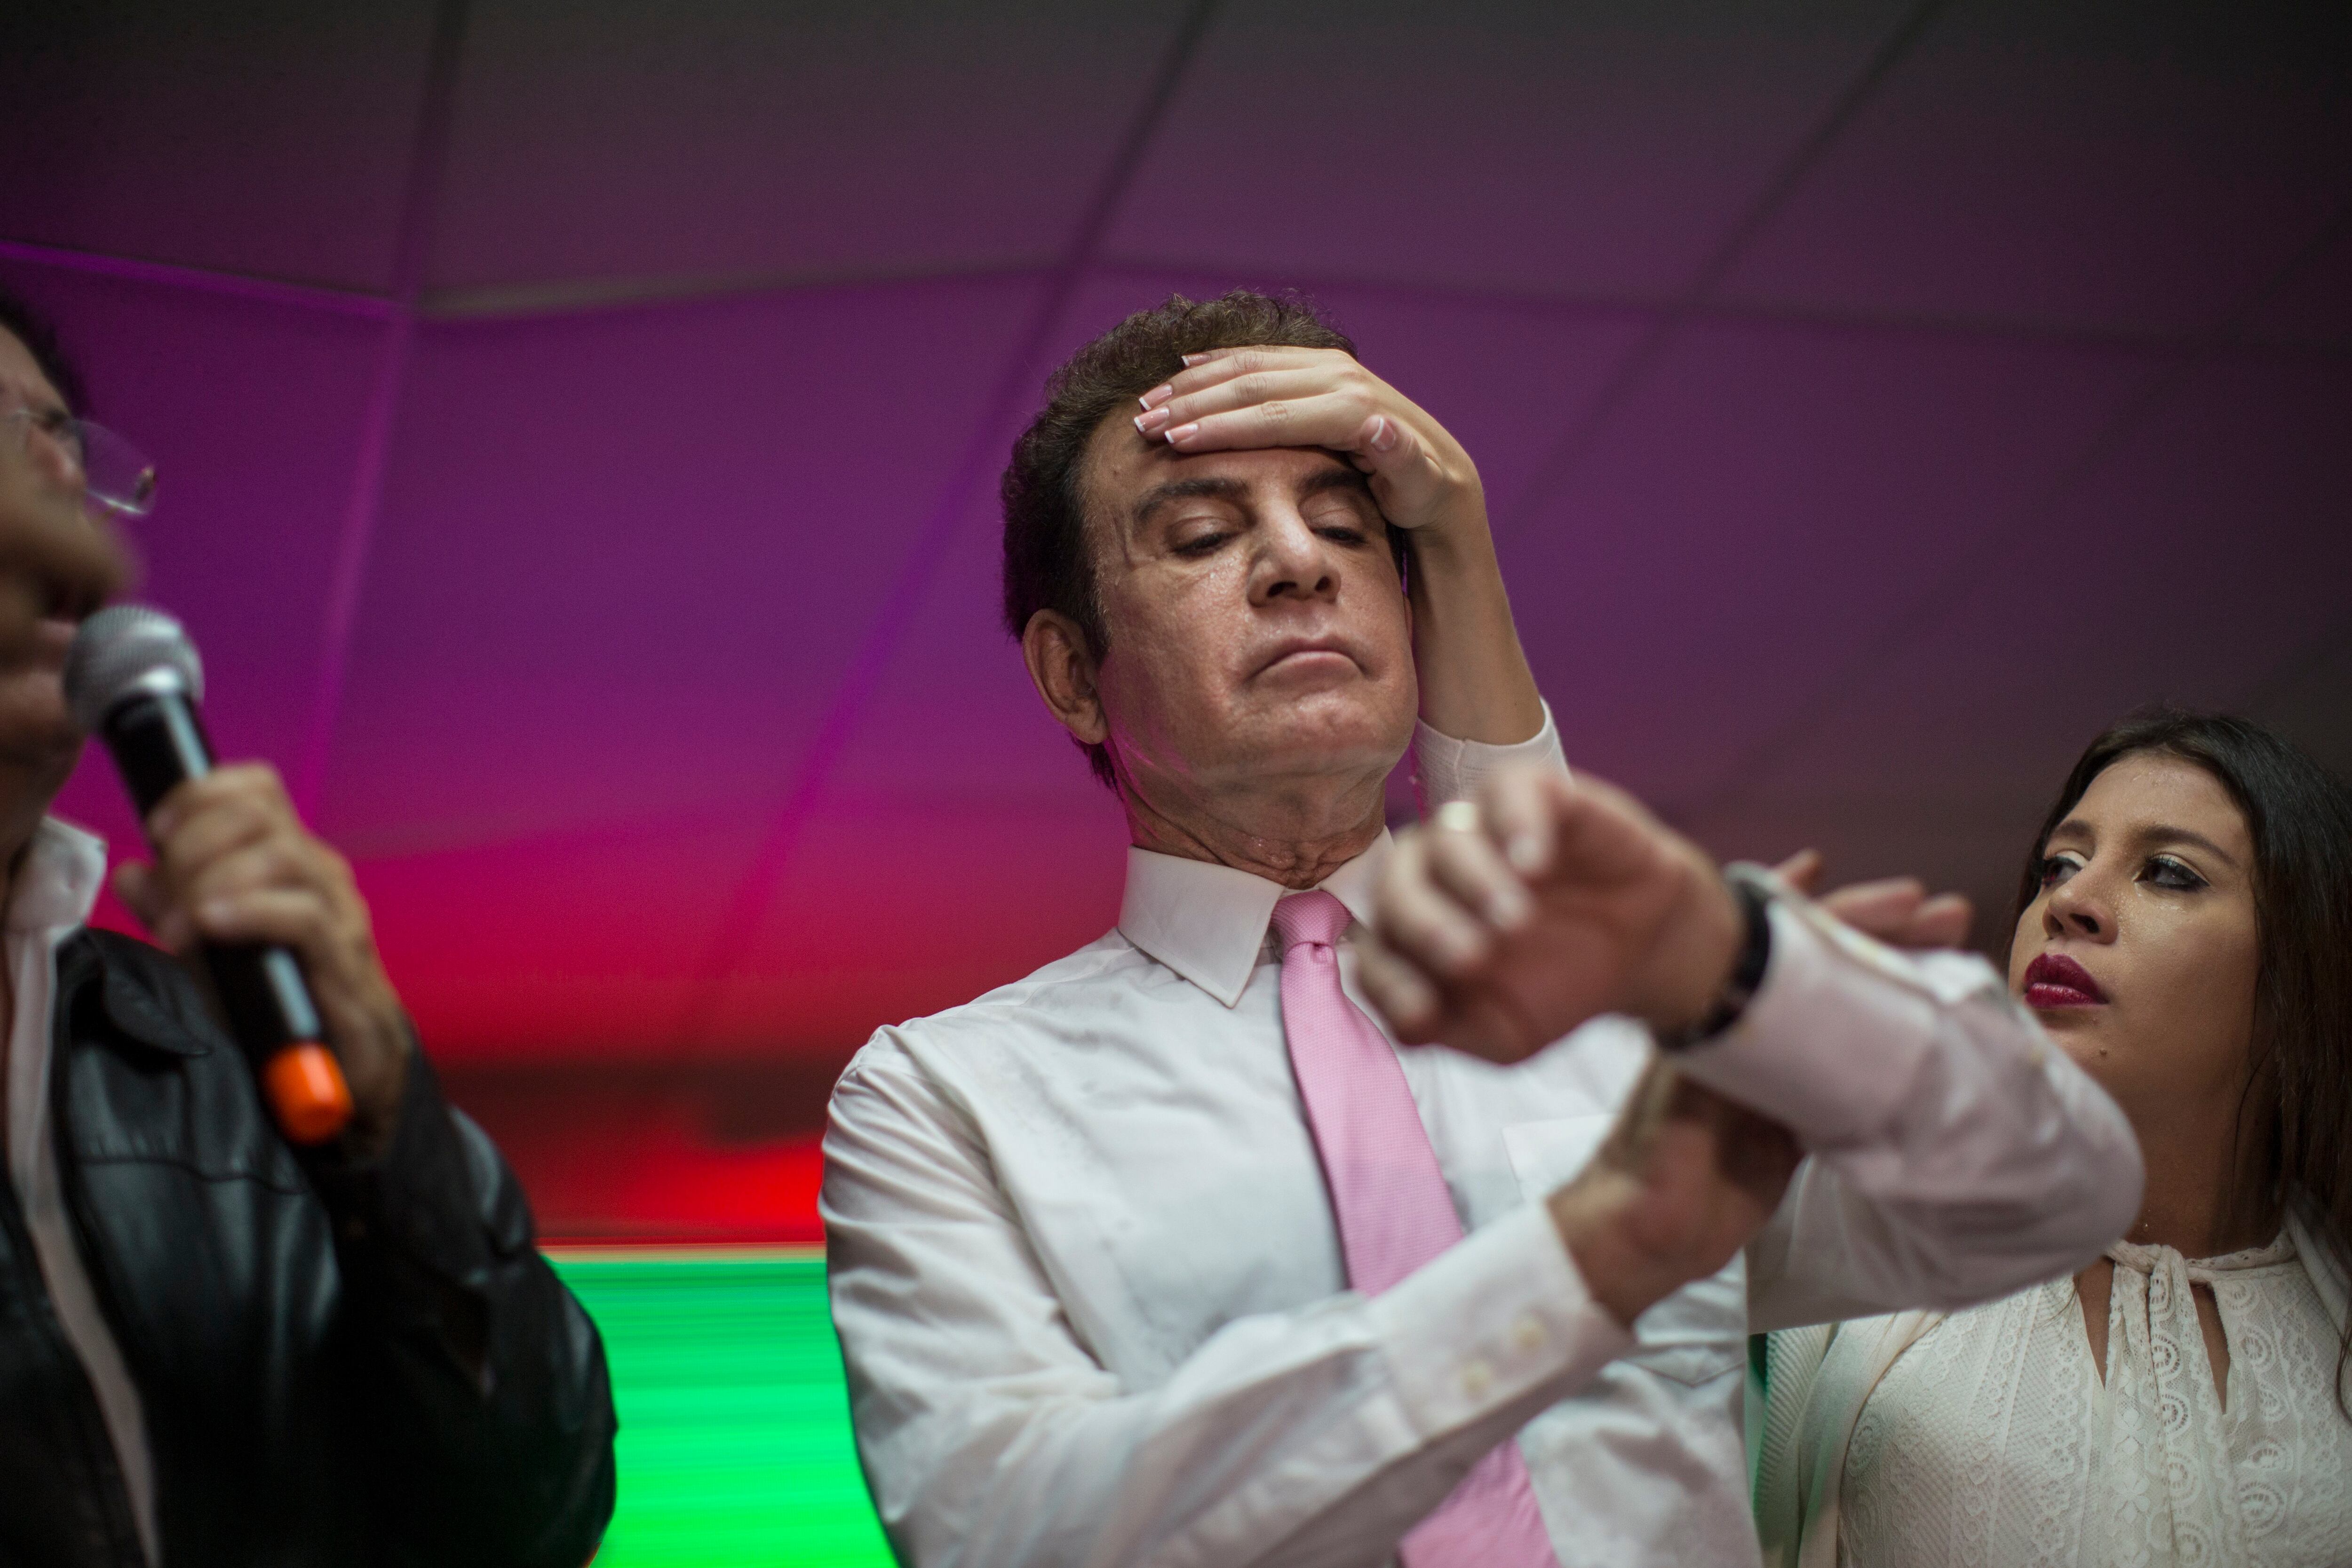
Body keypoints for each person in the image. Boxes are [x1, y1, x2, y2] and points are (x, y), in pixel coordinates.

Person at [820, 289, 2143, 1568]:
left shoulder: (1652, 1012)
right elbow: (1000, 1529)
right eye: (1204, 534)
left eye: (1343, 525)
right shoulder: (945, 1096)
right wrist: (1588, 1259)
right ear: (1073, 674)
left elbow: (2056, 1194)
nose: (1298, 562)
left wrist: (1744, 969)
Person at [0, 288, 616, 1565]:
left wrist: (395, 1137)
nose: (57, 482)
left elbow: (534, 1509)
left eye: (62, 441)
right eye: (1, 441)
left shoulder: (217, 1044)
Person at [1749, 712, 2352, 1568]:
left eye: (2168, 872)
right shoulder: (1866, 1234)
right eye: (2058, 865)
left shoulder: (2334, 1299)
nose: (2068, 902)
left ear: (2299, 973)